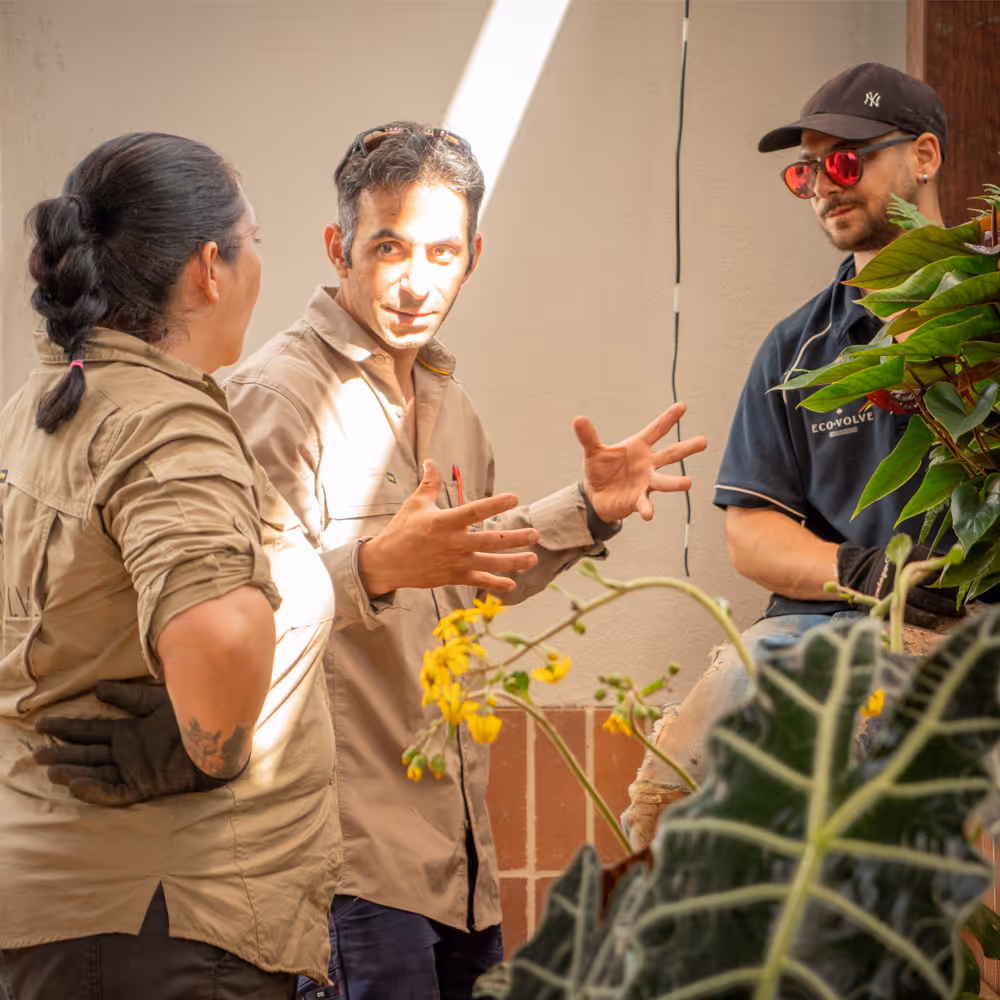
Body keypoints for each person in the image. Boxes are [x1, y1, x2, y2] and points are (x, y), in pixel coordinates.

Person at [219, 122, 707, 1000]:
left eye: (442, 253)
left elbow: (471, 574)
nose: (416, 280)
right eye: (389, 248)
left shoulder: (450, 404)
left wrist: (588, 511)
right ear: (339, 247)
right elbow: (230, 620)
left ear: (473, 258)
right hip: (346, 864)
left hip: (459, 860)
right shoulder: (274, 397)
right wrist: (368, 566)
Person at [0, 132, 338, 999]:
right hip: (165, 925)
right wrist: (208, 750)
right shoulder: (162, 423)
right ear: (208, 270)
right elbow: (222, 635)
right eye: (253, 238)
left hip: (63, 908)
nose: (261, 260)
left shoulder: (41, 406)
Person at [624, 62, 960, 849]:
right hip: (822, 628)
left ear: (924, 157)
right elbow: (752, 535)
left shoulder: (984, 306)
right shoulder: (797, 347)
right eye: (807, 170)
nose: (824, 186)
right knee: (666, 798)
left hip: (962, 631)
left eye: (846, 161)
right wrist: (864, 573)